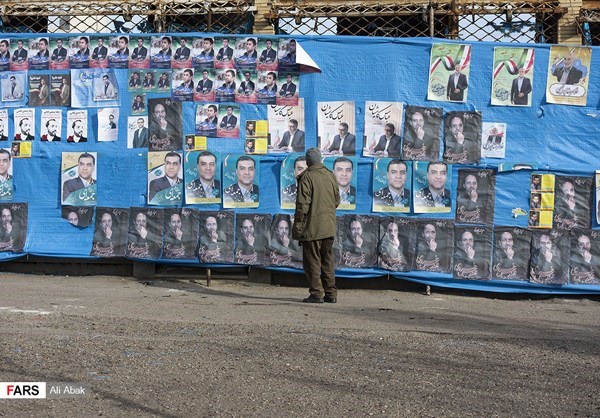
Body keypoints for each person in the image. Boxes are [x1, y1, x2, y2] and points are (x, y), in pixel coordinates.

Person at [293, 148, 340, 303]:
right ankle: (331, 294)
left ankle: (316, 294)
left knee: (312, 261)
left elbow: (302, 205)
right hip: (329, 227)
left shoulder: (306, 177)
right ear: (320, 159)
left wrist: (299, 225)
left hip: (312, 228)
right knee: (327, 260)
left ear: (307, 162)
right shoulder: (330, 175)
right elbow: (337, 201)